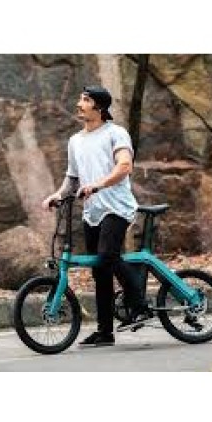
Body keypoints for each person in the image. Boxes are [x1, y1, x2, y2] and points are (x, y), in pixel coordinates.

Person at [42, 85, 152, 347]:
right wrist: (57, 194)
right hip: (92, 212)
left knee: (108, 255)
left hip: (117, 207)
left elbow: (124, 165)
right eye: (80, 99)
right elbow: (72, 178)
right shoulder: (75, 141)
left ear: (99, 107)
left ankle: (140, 306)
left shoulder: (115, 133)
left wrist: (98, 185)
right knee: (100, 271)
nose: (79, 104)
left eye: (86, 100)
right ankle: (105, 332)